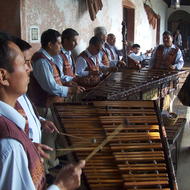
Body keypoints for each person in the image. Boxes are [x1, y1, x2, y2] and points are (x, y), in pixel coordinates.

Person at [0, 36, 85, 190]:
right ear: (3, 76)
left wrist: (28, 146)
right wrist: (61, 186)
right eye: (24, 63)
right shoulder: (10, 145)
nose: (30, 69)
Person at [29, 29, 85, 109]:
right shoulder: (41, 61)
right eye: (59, 43)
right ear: (50, 45)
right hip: (45, 106)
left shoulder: (48, 59)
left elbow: (51, 80)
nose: (61, 46)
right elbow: (50, 87)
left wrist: (64, 83)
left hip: (53, 103)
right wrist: (70, 90)